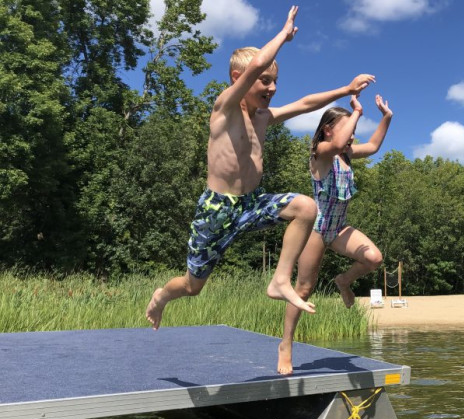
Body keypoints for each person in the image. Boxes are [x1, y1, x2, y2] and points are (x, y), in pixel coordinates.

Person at [145, 6, 376, 353]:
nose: (271, 87)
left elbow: (305, 103)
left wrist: (345, 89)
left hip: (251, 203)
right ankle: (162, 295)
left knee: (305, 207)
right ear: (238, 78)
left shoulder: (264, 117)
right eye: (265, 80)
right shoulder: (224, 108)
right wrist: (282, 36)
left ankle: (280, 279)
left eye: (275, 81)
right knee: (193, 286)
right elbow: (254, 64)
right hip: (217, 208)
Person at [277, 93, 393, 374]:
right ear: (328, 129)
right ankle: (286, 344)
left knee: (374, 258)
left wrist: (386, 117)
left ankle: (344, 280)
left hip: (339, 227)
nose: (353, 134)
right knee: (303, 289)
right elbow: (339, 142)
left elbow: (375, 145)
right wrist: (358, 111)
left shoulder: (346, 154)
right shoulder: (322, 151)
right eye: (347, 128)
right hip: (315, 229)